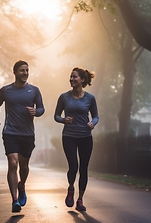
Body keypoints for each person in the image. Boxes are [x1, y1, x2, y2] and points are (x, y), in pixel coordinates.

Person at [0, 60, 45, 213]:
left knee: (24, 166)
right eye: (22, 70)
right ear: (15, 72)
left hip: (27, 134)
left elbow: (41, 108)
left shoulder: (34, 90)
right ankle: (14, 200)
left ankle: (21, 186)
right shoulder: (6, 90)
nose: (25, 73)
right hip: (10, 132)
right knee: (13, 163)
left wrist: (37, 112)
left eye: (27, 70)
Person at [54, 67, 99, 212]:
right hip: (69, 136)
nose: (71, 79)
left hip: (86, 137)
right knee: (73, 166)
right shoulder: (64, 97)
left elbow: (96, 116)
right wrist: (63, 120)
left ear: (82, 80)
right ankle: (71, 188)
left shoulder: (90, 98)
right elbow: (56, 115)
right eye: (71, 77)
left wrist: (93, 123)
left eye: (75, 77)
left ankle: (80, 200)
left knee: (84, 169)